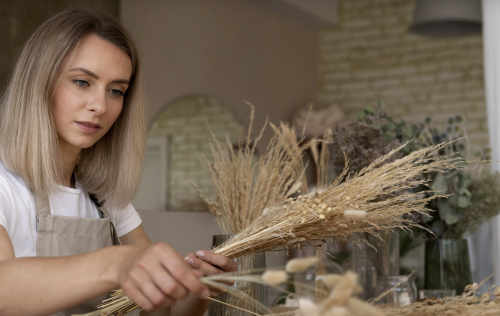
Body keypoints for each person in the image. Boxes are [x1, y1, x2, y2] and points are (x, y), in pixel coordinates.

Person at [0, 7, 237, 316]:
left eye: (116, 91)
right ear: (38, 81)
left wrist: (200, 289)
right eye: (82, 82)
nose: (100, 105)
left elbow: (162, 312)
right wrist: (117, 264)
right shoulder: (6, 186)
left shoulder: (105, 198)